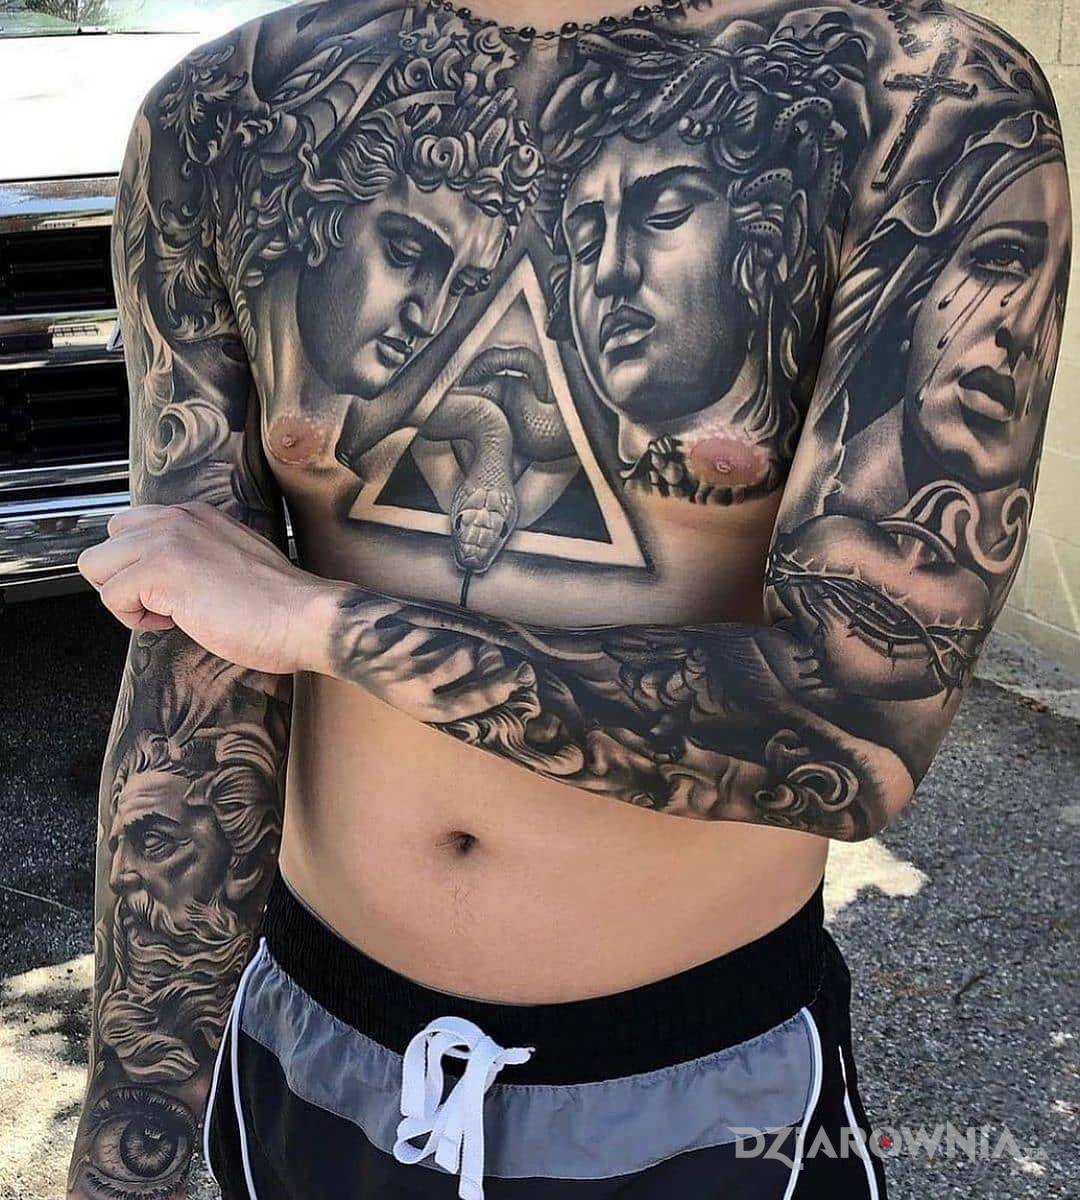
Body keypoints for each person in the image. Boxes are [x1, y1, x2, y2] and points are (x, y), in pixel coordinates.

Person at [70, 1, 1070, 1197]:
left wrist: (322, 624)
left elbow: (855, 738)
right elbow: (192, 666)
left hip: (691, 1090)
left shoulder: (915, 97)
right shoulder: (227, 110)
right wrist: (128, 1143)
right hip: (311, 1047)